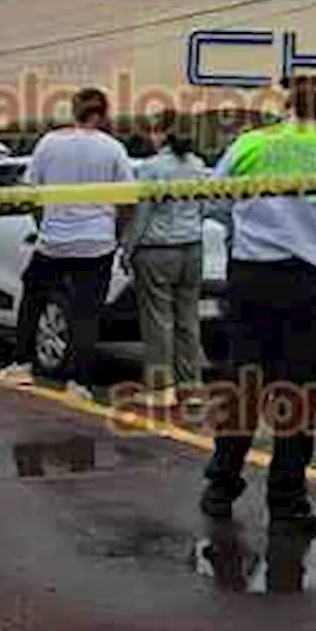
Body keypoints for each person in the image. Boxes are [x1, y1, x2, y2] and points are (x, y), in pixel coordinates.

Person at [199, 74, 316, 535]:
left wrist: (253, 225)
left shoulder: (250, 145)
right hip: (313, 283)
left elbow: (212, 202)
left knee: (242, 383)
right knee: (297, 393)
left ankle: (221, 485)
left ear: (288, 104)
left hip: (251, 277)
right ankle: (286, 502)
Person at [0, 88, 134, 399]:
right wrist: (116, 235)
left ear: (74, 110)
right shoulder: (113, 148)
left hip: (53, 241)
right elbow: (128, 200)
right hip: (96, 243)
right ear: (103, 113)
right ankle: (79, 382)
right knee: (87, 313)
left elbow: (30, 192)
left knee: (32, 298)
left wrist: (43, 223)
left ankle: (21, 364)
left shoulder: (49, 143)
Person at [121, 109, 208, 407]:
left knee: (158, 320)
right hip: (192, 247)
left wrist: (127, 249)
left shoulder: (151, 167)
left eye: (155, 130)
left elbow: (142, 214)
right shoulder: (198, 165)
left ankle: (161, 387)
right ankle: (191, 386)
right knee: (188, 318)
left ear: (163, 134)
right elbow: (204, 208)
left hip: (157, 249)